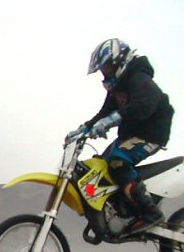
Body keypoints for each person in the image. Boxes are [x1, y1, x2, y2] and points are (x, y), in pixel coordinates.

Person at [65, 38, 175, 234]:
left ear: (119, 62)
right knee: (100, 166)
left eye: (106, 68)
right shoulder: (118, 87)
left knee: (118, 163)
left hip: (151, 134)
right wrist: (83, 129)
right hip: (131, 135)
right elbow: (104, 112)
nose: (104, 73)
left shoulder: (139, 78)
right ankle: (123, 208)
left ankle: (151, 214)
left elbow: (144, 106)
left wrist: (112, 120)